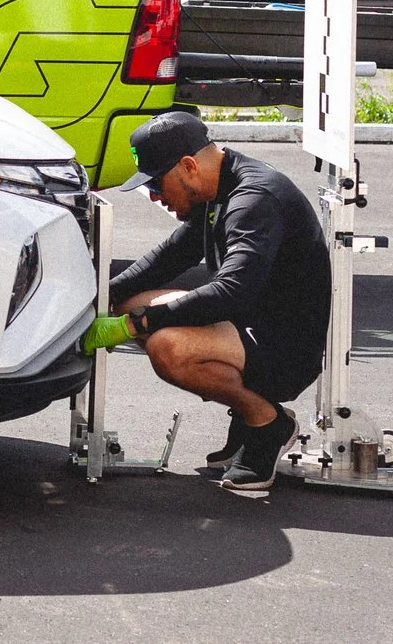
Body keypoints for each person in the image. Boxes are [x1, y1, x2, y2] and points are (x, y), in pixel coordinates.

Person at [104, 109, 331, 495]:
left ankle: (267, 422)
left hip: (285, 350)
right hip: (249, 327)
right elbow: (168, 258)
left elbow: (232, 291)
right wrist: (97, 297)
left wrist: (138, 324)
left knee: (167, 346)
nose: (156, 196)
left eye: (157, 184)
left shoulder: (254, 200)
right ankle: (248, 413)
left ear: (188, 166)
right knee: (132, 302)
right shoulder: (217, 187)